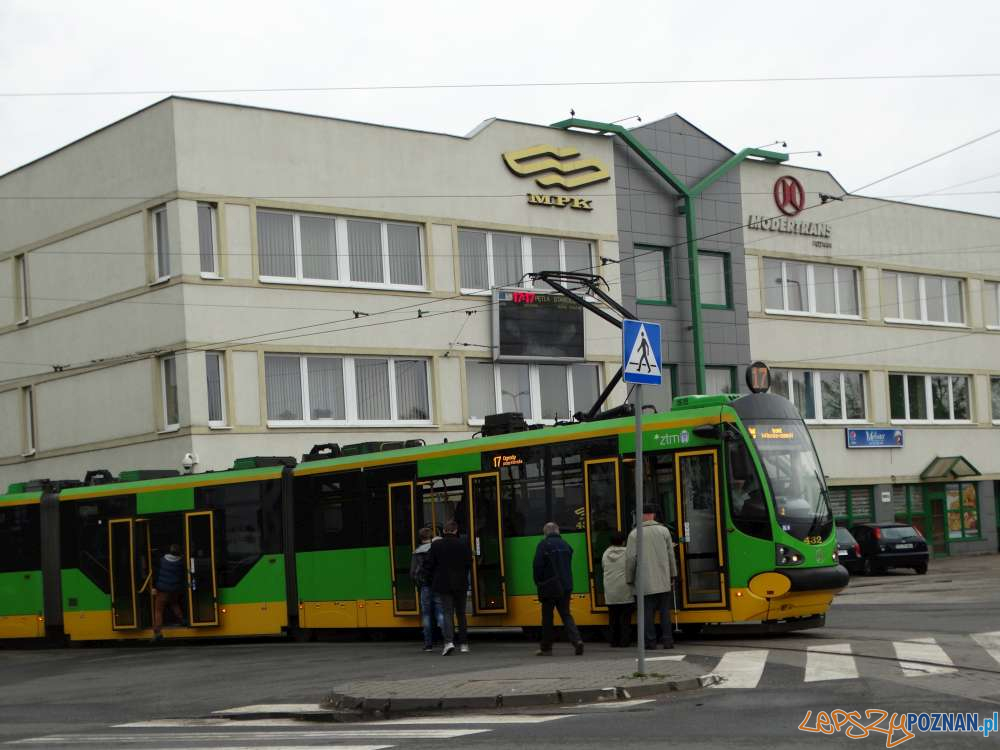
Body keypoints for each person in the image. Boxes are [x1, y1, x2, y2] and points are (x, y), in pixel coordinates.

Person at [626, 504, 678, 649]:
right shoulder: (664, 531)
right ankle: (668, 641)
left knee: (646, 614)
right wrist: (673, 575)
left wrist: (629, 578)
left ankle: (650, 642)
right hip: (663, 580)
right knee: (664, 613)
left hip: (644, 583)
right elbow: (670, 556)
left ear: (641, 515)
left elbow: (630, 559)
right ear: (653, 515)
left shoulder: (634, 534)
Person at [532, 522, 584, 656]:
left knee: (547, 618)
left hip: (549, 586)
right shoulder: (566, 545)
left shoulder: (543, 545)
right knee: (566, 614)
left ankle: (546, 647)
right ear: (557, 531)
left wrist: (538, 582)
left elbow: (537, 566)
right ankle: (577, 641)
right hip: (566, 585)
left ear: (545, 532)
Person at [425, 520, 472, 656]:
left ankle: (449, 642)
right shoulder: (463, 544)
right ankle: (464, 644)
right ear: (456, 530)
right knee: (461, 614)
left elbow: (429, 564)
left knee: (447, 613)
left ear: (444, 531)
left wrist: (431, 578)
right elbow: (469, 563)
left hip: (443, 583)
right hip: (461, 583)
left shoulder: (436, 545)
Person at [410, 526, 444, 652]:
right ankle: (448, 640)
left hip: (425, 586)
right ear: (431, 536)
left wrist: (419, 584)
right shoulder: (437, 548)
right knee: (441, 613)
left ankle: (428, 644)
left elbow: (413, 572)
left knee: (426, 615)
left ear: (420, 537)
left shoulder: (417, 552)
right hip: (438, 584)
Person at [601, 531, 633, 647]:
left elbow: (603, 567)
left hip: (611, 592)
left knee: (613, 618)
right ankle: (625, 641)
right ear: (624, 541)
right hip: (625, 591)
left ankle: (613, 641)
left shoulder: (605, 554)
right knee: (625, 619)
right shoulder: (627, 553)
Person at [152, 543, 186, 641]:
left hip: (162, 589)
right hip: (174, 589)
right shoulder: (181, 561)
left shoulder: (162, 560)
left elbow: (156, 574)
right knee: (174, 603)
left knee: (159, 610)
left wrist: (154, 587)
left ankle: (158, 632)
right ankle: (182, 619)